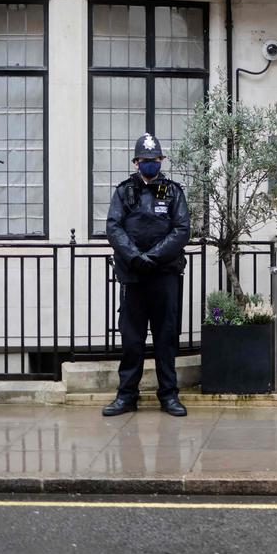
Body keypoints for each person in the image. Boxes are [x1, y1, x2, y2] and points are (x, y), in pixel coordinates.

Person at [102, 133, 191, 417]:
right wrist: (134, 257)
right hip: (133, 277)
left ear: (161, 161)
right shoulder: (124, 191)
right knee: (132, 339)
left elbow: (181, 230)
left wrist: (152, 257)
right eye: (145, 160)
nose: (150, 164)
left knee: (166, 337)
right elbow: (114, 227)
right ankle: (126, 395)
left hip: (164, 274)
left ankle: (169, 395)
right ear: (136, 162)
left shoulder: (173, 191)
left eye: (155, 160)